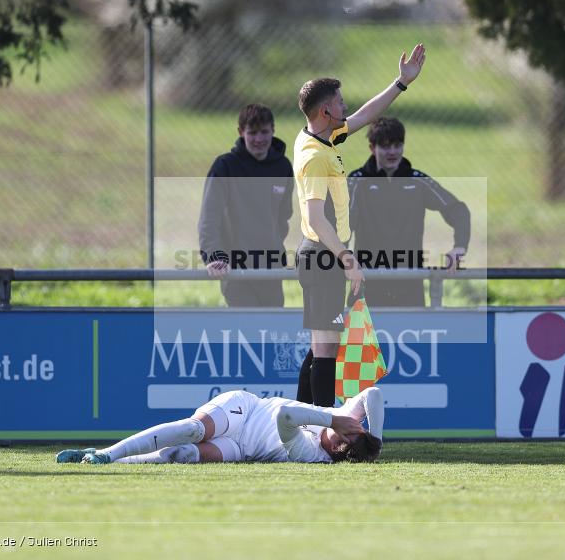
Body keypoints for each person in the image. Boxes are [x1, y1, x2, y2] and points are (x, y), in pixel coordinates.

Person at [293, 44, 426, 407]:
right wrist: (347, 260)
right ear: (325, 111)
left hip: (323, 256)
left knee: (323, 346)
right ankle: (321, 435)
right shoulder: (315, 156)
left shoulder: (321, 135)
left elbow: (367, 114)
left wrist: (401, 83)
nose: (345, 107)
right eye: (339, 102)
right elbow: (317, 217)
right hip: (323, 257)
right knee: (325, 352)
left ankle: (302, 427)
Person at [55, 387, 383, 465]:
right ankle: (109, 454)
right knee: (195, 429)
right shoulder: (349, 419)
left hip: (240, 447)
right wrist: (377, 440)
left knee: (182, 454)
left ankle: (94, 454)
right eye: (358, 430)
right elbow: (374, 393)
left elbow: (285, 414)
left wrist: (334, 419)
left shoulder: (312, 454)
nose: (357, 425)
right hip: (243, 409)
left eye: (357, 431)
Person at [348, 117, 470, 306]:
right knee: (361, 336)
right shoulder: (357, 181)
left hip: (410, 280)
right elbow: (343, 223)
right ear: (372, 148)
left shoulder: (417, 181)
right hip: (367, 280)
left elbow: (457, 209)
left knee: (412, 335)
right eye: (386, 146)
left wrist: (460, 246)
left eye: (397, 145)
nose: (392, 152)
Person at [198, 104, 294, 307]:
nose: (259, 139)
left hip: (271, 268)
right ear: (241, 132)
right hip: (235, 269)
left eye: (264, 132)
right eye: (252, 133)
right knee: (247, 330)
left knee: (271, 333)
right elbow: (209, 217)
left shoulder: (283, 167)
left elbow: (283, 216)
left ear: (273, 130)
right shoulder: (225, 166)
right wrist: (215, 255)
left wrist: (273, 246)